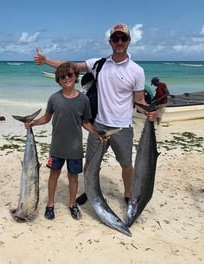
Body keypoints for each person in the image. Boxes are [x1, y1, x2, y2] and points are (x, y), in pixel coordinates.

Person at [33, 23, 157, 206]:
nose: (119, 42)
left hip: (123, 126)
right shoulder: (99, 64)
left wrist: (149, 112)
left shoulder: (137, 71)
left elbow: (139, 101)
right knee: (90, 164)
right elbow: (71, 66)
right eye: (116, 39)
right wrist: (46, 60)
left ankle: (129, 193)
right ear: (110, 42)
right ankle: (89, 190)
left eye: (123, 38)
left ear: (129, 41)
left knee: (126, 164)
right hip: (98, 125)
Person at [24, 62, 102, 220]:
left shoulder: (83, 100)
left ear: (76, 77)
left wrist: (97, 134)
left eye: (70, 75)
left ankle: (72, 204)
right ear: (58, 80)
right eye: (62, 77)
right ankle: (50, 205)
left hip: (75, 148)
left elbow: (85, 122)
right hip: (57, 147)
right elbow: (46, 118)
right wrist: (33, 123)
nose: (66, 78)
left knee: (73, 177)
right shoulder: (54, 98)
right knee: (54, 175)